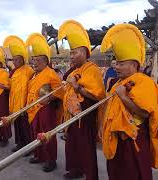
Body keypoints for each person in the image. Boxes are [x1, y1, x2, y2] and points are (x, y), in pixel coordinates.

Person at [101, 24, 158, 180]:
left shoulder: (145, 83)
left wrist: (124, 97)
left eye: (121, 64)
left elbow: (144, 113)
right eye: (117, 64)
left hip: (133, 141)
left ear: (134, 65)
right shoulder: (118, 84)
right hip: (116, 139)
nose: (117, 67)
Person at [58, 20, 106, 180]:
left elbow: (98, 96)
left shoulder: (92, 71)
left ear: (85, 52)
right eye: (70, 53)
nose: (71, 56)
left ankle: (91, 175)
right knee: (71, 144)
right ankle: (75, 169)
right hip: (71, 114)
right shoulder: (75, 70)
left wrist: (77, 87)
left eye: (75, 53)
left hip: (85, 114)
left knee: (86, 146)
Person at [26, 33, 64, 172]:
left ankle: (50, 160)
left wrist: (51, 98)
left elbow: (60, 91)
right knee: (35, 132)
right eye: (33, 60)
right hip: (33, 107)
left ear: (45, 61)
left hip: (46, 109)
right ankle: (39, 155)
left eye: (38, 60)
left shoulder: (50, 73)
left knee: (47, 134)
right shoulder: (35, 74)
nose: (34, 63)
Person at [2, 35, 34, 152]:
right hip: (15, 102)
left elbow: (32, 86)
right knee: (17, 126)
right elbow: (10, 86)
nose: (14, 62)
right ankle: (19, 144)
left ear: (22, 60)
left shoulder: (29, 70)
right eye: (13, 60)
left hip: (25, 103)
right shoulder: (13, 73)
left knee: (26, 126)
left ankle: (28, 146)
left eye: (16, 60)